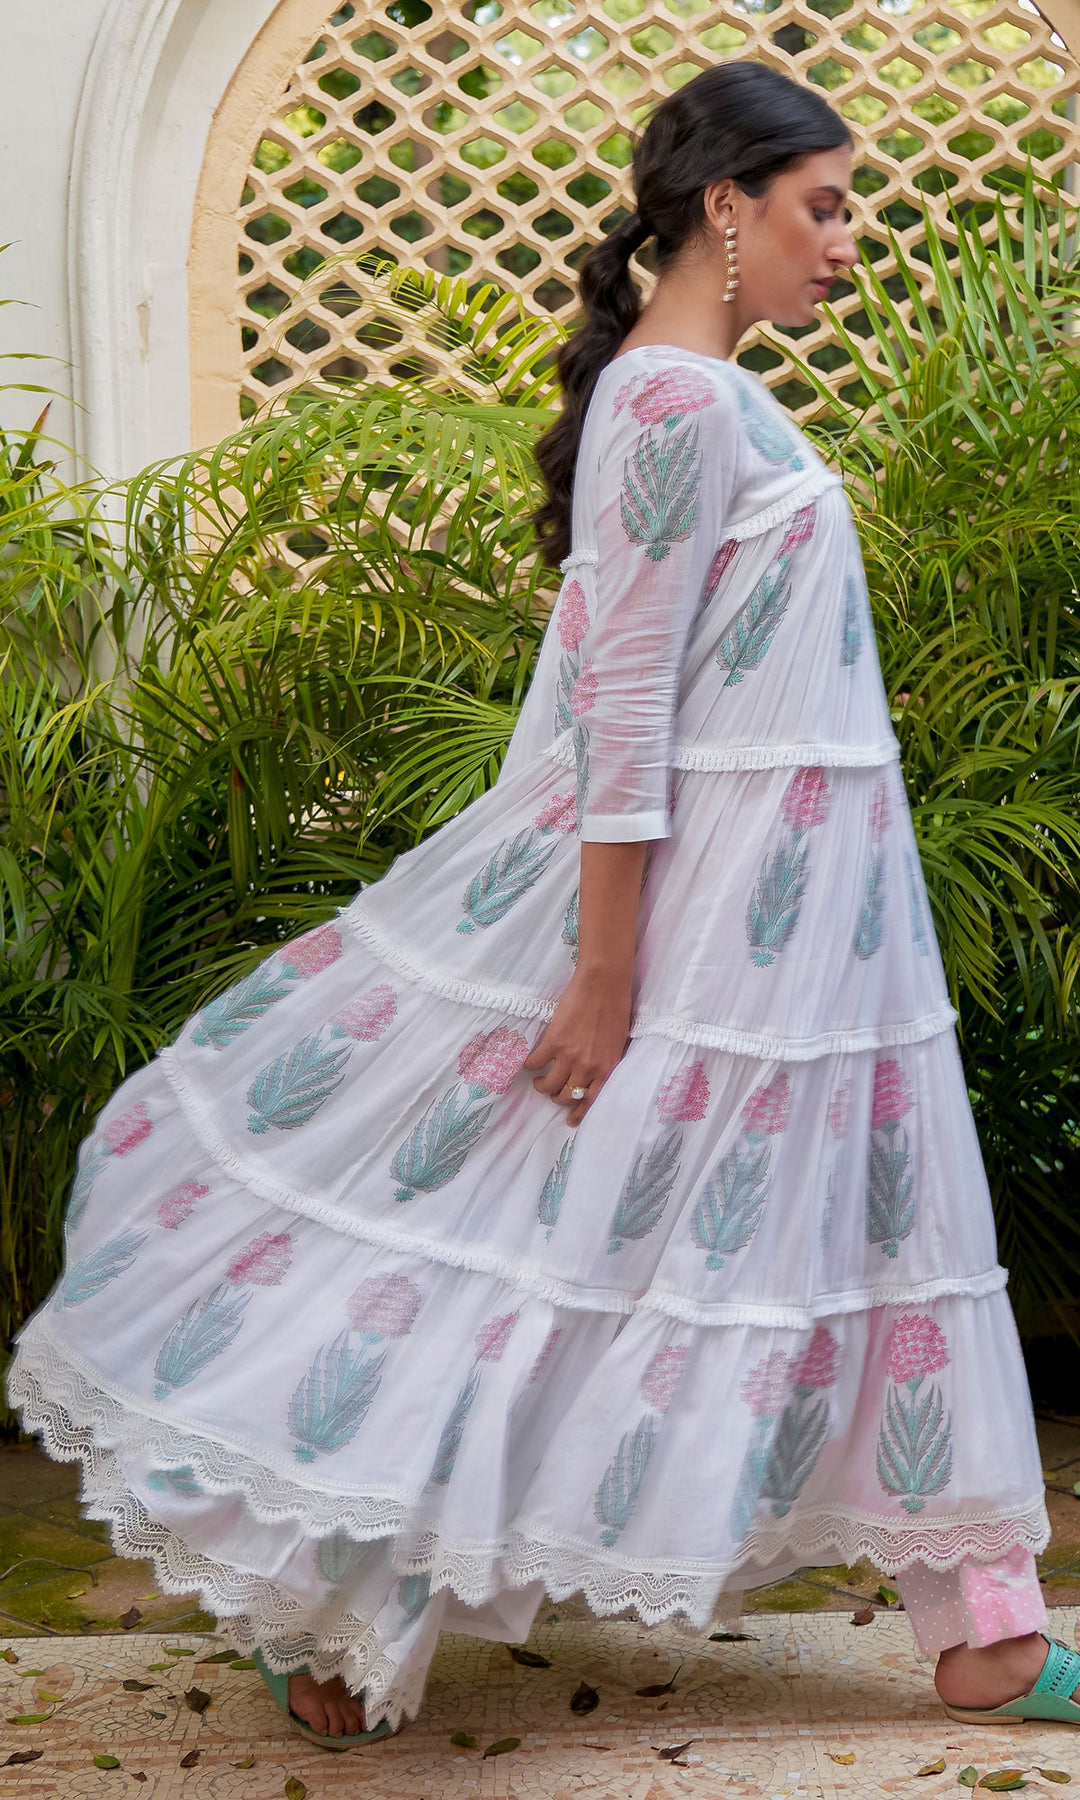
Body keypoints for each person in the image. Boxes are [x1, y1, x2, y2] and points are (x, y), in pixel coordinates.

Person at [7, 58, 1077, 1749]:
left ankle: (987, 1630)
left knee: (881, 1230)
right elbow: (621, 706)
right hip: (709, 922)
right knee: (549, 1243)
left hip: (816, 933)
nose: (847, 241)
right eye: (822, 207)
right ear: (725, 206)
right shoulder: (674, 405)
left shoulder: (711, 401)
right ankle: (332, 1590)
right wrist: (599, 971)